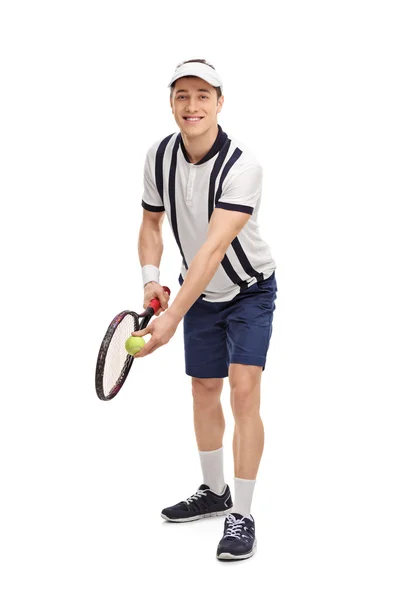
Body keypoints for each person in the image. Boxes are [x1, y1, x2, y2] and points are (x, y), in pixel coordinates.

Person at [132, 58, 277, 561]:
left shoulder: (242, 166)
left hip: (249, 291)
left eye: (202, 96)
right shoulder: (158, 156)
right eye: (182, 96)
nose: (191, 106)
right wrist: (153, 285)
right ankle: (214, 492)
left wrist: (171, 318)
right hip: (198, 293)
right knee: (202, 388)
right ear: (172, 103)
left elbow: (214, 249)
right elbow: (152, 225)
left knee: (243, 390)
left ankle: (243, 512)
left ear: (219, 102)